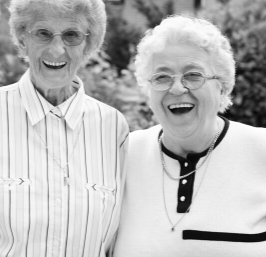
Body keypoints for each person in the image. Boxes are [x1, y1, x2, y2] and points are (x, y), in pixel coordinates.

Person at [0, 0, 129, 257]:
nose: (57, 50)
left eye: (71, 35)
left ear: (89, 43)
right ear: (22, 37)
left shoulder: (113, 128)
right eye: (43, 33)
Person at [112, 15, 266, 257]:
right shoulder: (122, 155)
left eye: (193, 75)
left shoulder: (261, 150)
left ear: (223, 85)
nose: (176, 88)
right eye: (162, 77)